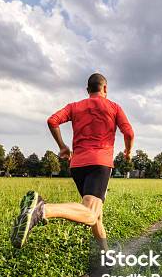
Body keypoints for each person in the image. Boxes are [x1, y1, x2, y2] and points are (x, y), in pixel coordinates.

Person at [10, 73, 134, 250]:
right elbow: (129, 133)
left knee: (96, 214)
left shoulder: (75, 106)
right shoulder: (114, 107)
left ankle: (106, 253)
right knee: (90, 213)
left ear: (87, 90)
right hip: (100, 163)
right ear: (105, 88)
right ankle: (43, 210)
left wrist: (62, 147)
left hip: (77, 165)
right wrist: (128, 152)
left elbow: (52, 121)